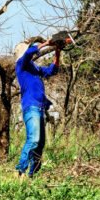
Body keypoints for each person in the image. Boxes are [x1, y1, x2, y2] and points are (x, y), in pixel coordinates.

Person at [14, 38, 63, 178]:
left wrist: (57, 51)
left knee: (40, 145)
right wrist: (47, 43)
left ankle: (32, 176)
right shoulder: (21, 64)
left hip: (40, 108)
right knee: (33, 140)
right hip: (31, 107)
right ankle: (21, 172)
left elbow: (52, 71)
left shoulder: (34, 69)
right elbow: (30, 53)